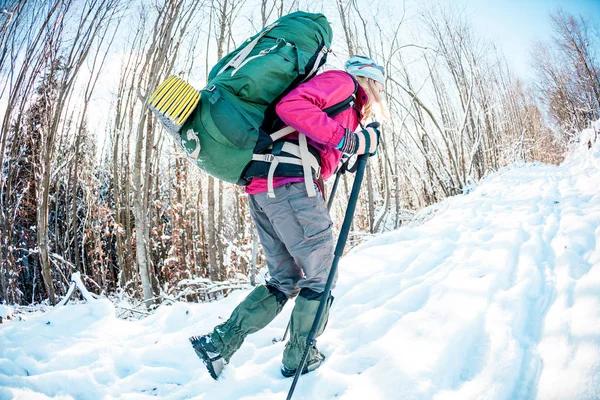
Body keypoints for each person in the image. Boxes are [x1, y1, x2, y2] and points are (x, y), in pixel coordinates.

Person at [190, 55, 387, 379]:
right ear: (371, 80)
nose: (381, 92)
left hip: (266, 188)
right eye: (380, 84)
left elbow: (319, 151)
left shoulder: (347, 105)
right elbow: (292, 108)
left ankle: (220, 344)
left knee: (285, 280)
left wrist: (351, 148)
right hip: (290, 188)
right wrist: (352, 140)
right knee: (321, 276)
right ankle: (300, 356)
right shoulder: (343, 83)